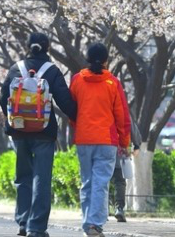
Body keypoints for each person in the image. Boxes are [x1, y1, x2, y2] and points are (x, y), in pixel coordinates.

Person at [0, 32, 77, 237]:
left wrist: (15, 118)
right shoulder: (52, 71)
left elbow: (3, 98)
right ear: (47, 47)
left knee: (23, 176)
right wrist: (79, 116)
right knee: (42, 178)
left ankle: (23, 221)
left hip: (18, 130)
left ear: (27, 46)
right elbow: (65, 101)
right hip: (44, 131)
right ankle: (37, 227)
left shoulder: (16, 68)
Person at [70, 43, 130, 237]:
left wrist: (77, 127)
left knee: (86, 181)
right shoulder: (112, 83)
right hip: (106, 140)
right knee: (100, 183)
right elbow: (121, 116)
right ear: (106, 60)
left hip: (84, 138)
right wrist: (124, 141)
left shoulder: (77, 80)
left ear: (87, 58)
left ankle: (88, 223)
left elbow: (72, 111)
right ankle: (95, 224)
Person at [111, 120, 141, 222]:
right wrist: (136, 145)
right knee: (119, 182)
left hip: (102, 149)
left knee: (102, 180)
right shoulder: (121, 109)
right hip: (120, 150)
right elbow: (131, 126)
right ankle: (119, 209)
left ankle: (102, 210)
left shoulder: (101, 109)